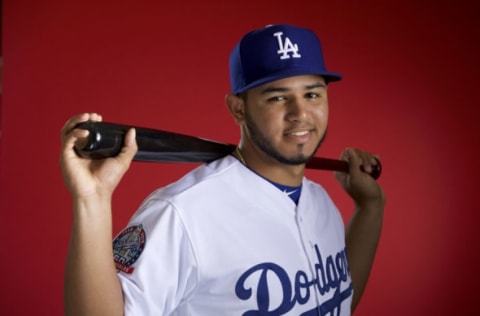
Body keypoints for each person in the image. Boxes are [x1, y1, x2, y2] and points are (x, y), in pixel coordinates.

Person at [61, 24, 385, 316]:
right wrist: (93, 199)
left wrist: (370, 208)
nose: (300, 113)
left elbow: (336, 303)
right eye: (277, 98)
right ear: (238, 108)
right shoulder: (183, 213)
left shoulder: (321, 202)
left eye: (312, 94)